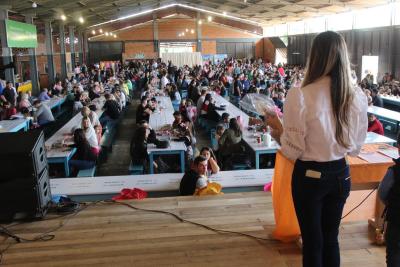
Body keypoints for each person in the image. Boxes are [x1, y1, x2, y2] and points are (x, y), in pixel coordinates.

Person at [265, 31, 368, 267]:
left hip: (310, 177)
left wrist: (278, 130)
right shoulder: (355, 96)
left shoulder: (300, 94)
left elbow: (293, 150)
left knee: (313, 242)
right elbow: (355, 148)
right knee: (331, 239)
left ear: (315, 56)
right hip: (341, 174)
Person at [378, 132, 400, 267]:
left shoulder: (394, 171)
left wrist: (391, 204)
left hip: (397, 218)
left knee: (394, 251)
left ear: (398, 147)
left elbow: (382, 193)